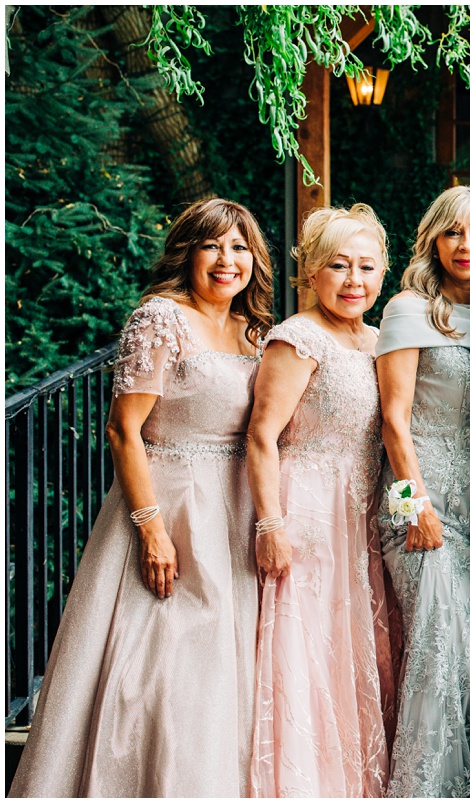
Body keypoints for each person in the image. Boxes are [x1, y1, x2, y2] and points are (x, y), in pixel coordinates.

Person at [9, 199, 273, 797]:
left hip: (233, 510)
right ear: (189, 253)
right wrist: (151, 528)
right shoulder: (160, 317)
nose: (227, 261)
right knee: (157, 663)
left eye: (239, 248)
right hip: (170, 503)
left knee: (219, 666)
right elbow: (123, 430)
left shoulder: (254, 330)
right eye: (213, 246)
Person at [247, 204, 396, 797]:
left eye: (366, 267)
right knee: (302, 647)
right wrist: (270, 524)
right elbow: (260, 436)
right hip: (305, 510)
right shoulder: (297, 337)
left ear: (384, 274)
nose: (353, 280)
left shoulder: (381, 340)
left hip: (360, 513)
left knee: (350, 646)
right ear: (311, 272)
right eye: (339, 266)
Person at [374, 186, 470, 797]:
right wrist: (415, 504)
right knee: (440, 652)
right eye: (454, 232)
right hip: (420, 507)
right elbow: (392, 420)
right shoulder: (410, 309)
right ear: (434, 239)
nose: (467, 245)